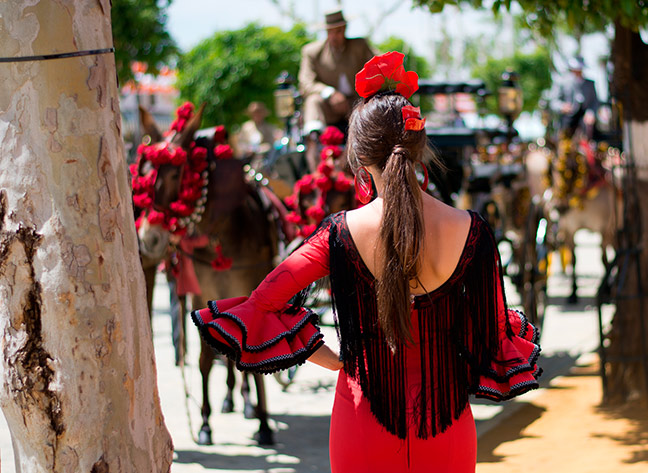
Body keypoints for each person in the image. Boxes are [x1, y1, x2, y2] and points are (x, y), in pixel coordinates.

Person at [192, 52, 542, 472]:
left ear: (358, 158)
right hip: (445, 422)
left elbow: (263, 302)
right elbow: (491, 333)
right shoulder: (472, 229)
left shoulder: (339, 233)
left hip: (363, 416)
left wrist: (335, 360)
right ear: (418, 147)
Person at [298, 9, 376, 137]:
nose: (334, 36)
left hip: (357, 104)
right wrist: (329, 93)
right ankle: (314, 142)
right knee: (313, 101)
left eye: (338, 31)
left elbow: (379, 66)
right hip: (328, 106)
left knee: (374, 103)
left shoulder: (360, 46)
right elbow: (306, 83)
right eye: (330, 32)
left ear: (345, 29)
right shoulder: (312, 52)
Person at [552, 57, 599, 140]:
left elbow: (595, 102)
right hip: (568, 119)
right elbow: (553, 102)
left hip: (584, 120)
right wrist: (562, 106)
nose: (577, 72)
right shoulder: (562, 83)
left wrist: (591, 113)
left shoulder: (590, 84)